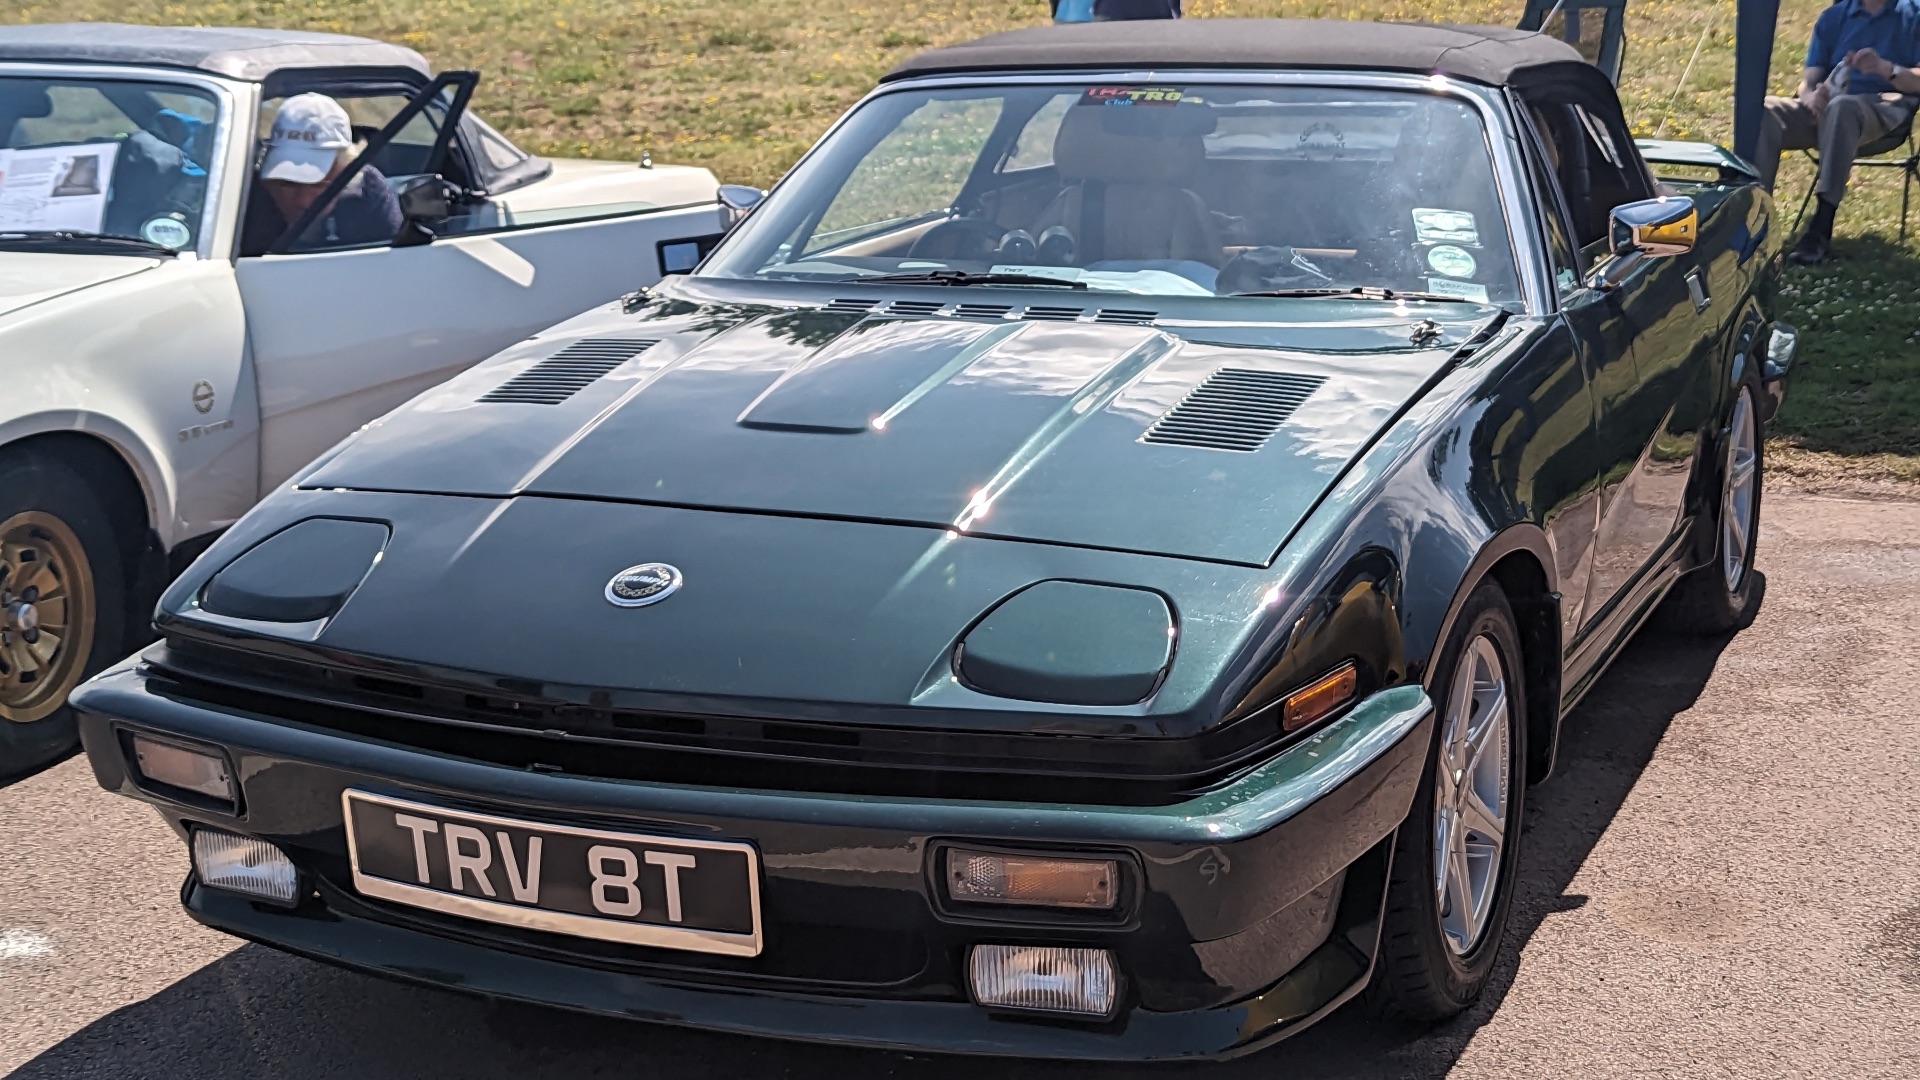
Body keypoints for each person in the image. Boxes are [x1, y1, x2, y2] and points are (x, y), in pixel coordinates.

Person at [1753, 0, 1920, 265]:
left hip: (1885, 108)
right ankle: (1754, 218)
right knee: (1762, 109)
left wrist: (1886, 68)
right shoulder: (1834, 16)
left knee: (1843, 107)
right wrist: (1809, 96)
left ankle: (1821, 226)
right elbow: (1810, 78)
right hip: (1827, 108)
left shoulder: (1914, 15)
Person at [240, 93, 401, 256]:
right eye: (287, 184)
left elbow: (395, 264)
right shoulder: (245, 197)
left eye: (318, 185)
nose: (302, 201)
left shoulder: (369, 193)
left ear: (345, 171)